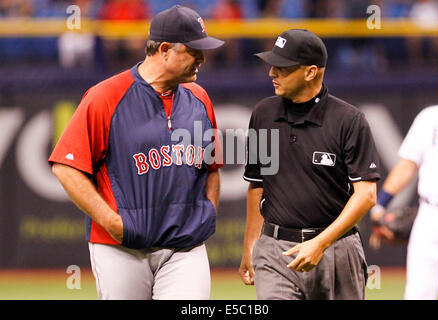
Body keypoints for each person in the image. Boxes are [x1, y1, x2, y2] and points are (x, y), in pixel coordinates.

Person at [49, 5, 224, 300]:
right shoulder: (106, 96)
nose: (202, 59)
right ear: (165, 49)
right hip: (122, 249)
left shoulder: (199, 98)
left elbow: (212, 167)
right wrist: (111, 222)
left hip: (185, 246)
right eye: (195, 51)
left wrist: (207, 213)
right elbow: (66, 167)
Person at [239, 29, 381, 300]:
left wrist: (320, 243)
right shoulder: (264, 114)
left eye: (282, 67)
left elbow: (367, 195)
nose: (272, 73)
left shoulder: (348, 120)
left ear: (310, 72)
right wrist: (250, 246)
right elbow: (258, 184)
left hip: (336, 249)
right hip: (275, 249)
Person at [370, 63, 438, 300]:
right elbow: (407, 165)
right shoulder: (431, 118)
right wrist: (381, 204)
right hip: (431, 214)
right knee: (418, 295)